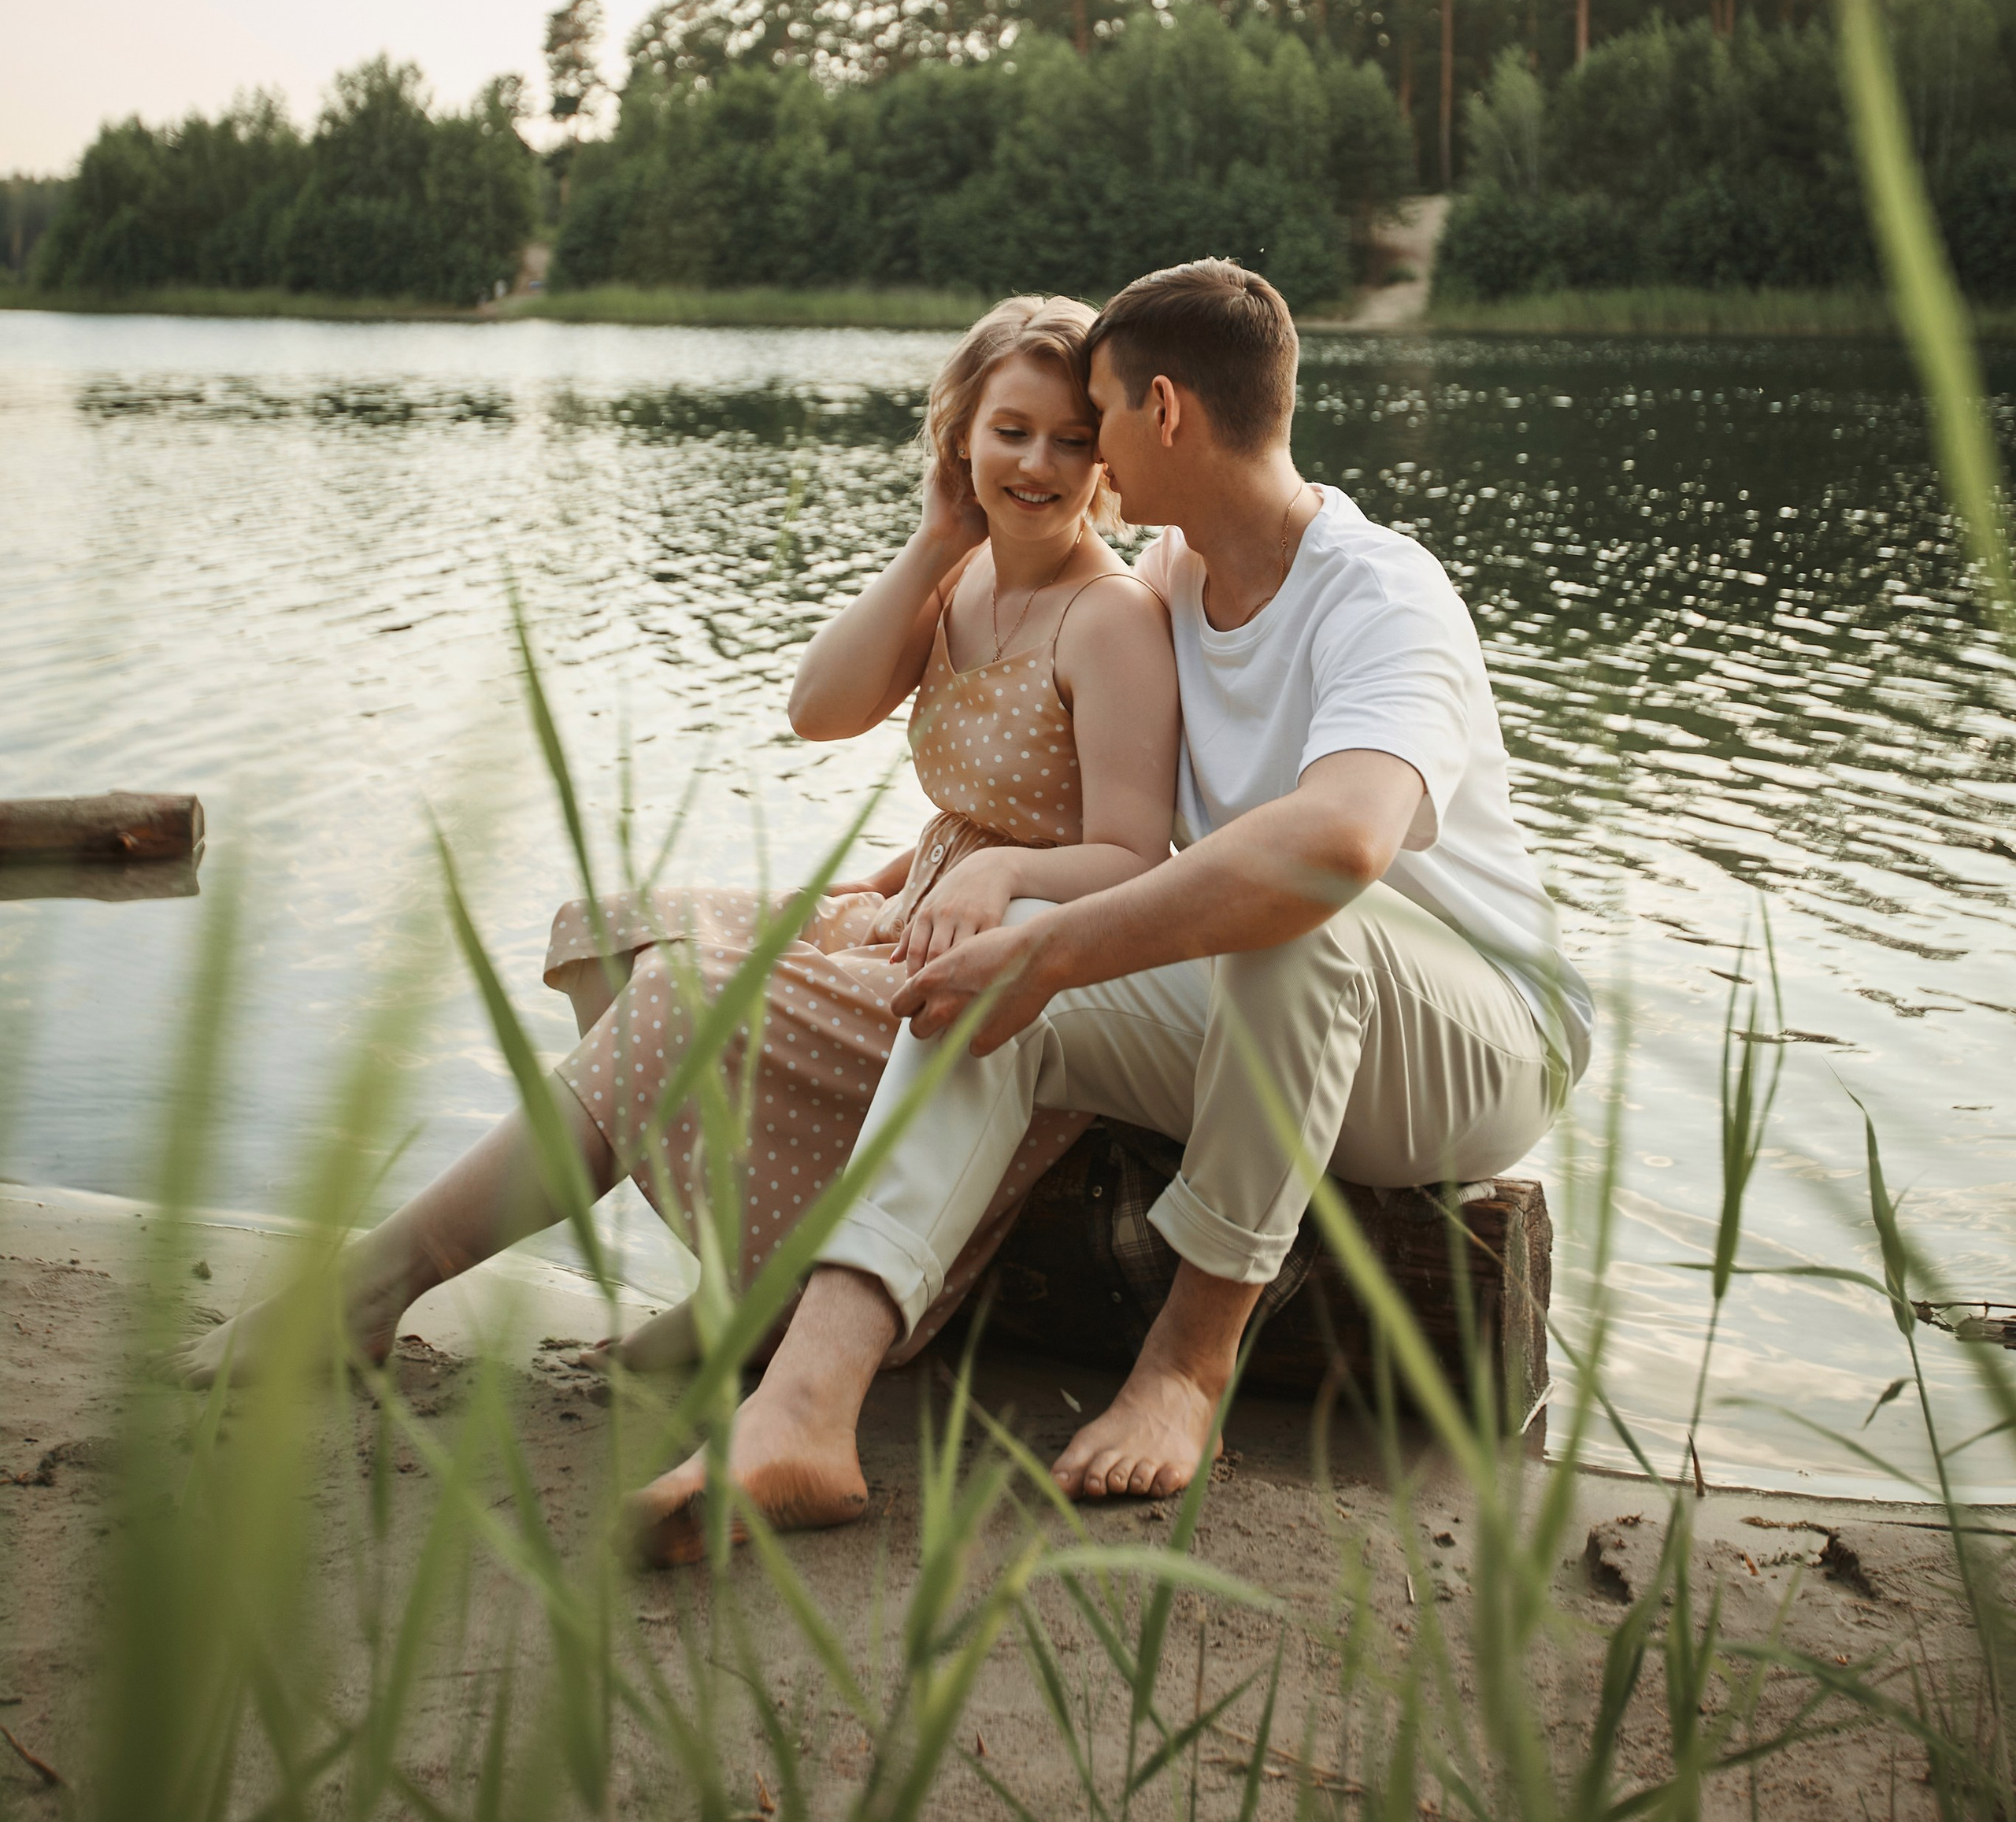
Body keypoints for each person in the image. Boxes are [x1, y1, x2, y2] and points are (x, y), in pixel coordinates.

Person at [632, 257, 1592, 1546]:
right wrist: (985, 903)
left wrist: (1060, 947)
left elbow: (1340, 844)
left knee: (1286, 911)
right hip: (1279, 1024)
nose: (1082, 458)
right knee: (1010, 961)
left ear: (1165, 411)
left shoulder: (1381, 592)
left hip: (1482, 1048)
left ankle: (1188, 1366)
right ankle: (803, 1410)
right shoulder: (1179, 580)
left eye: (1097, 419)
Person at [182, 295, 1180, 1448]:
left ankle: (373, 1288)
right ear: (961, 435)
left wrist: (995, 877)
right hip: (907, 907)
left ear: (1107, 458)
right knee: (609, 937)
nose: (1039, 465)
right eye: (1011, 431)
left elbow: (1133, 857)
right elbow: (820, 711)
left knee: (683, 995)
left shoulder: (1110, 619)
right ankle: (742, 1289)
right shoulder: (960, 581)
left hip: (1005, 974)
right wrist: (931, 543)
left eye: (1071, 440)